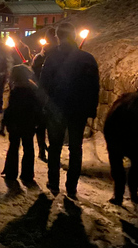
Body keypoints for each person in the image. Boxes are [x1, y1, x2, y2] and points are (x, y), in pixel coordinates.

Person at [39, 22, 99, 198]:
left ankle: (53, 182)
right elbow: (93, 87)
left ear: (58, 36)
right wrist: (91, 109)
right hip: (78, 109)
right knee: (75, 147)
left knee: (55, 147)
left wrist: (44, 106)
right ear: (73, 35)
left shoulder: (51, 58)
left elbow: (43, 85)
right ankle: (71, 186)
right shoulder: (87, 58)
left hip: (56, 108)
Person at [0, 65, 42, 183]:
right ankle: (27, 174)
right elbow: (38, 107)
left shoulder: (16, 89)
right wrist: (38, 121)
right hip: (29, 122)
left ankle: (11, 173)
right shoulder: (33, 88)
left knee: (14, 147)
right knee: (28, 147)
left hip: (15, 123)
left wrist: (3, 124)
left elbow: (10, 109)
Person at [31, 27, 57, 163]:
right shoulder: (46, 56)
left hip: (43, 95)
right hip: (51, 96)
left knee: (42, 126)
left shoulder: (42, 57)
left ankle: (43, 149)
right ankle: (46, 150)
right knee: (47, 126)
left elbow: (33, 74)